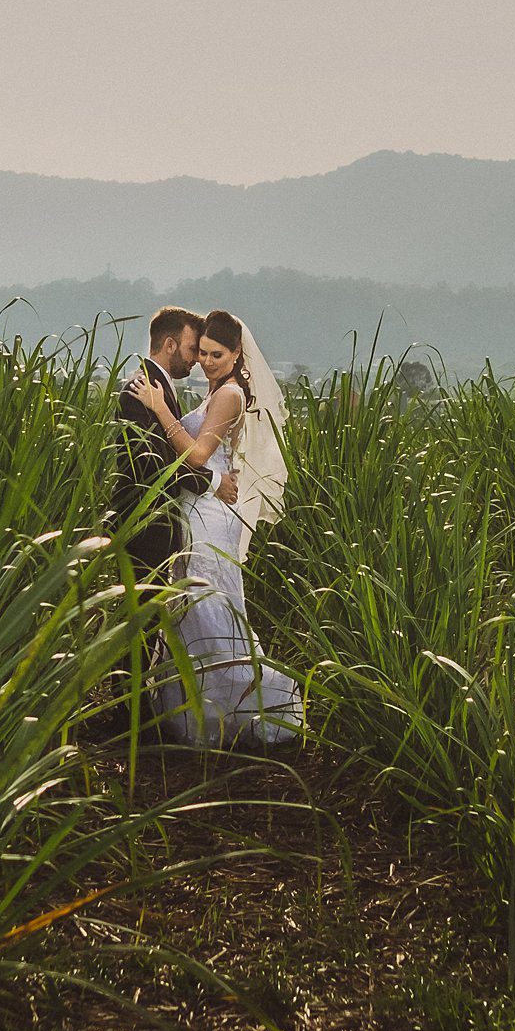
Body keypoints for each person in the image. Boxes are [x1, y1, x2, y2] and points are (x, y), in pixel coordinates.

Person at [123, 309, 302, 750]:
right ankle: (204, 710)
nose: (205, 361)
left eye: (216, 354)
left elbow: (199, 456)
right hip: (197, 512)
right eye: (201, 352)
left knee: (211, 605)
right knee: (194, 609)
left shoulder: (230, 395)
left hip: (210, 518)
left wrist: (161, 409)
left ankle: (243, 706)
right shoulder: (215, 391)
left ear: (237, 353)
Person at [111, 306, 208, 577]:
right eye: (192, 349)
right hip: (144, 528)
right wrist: (209, 482)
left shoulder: (159, 387)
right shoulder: (139, 390)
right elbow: (151, 465)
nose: (196, 359)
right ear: (170, 345)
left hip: (158, 527)